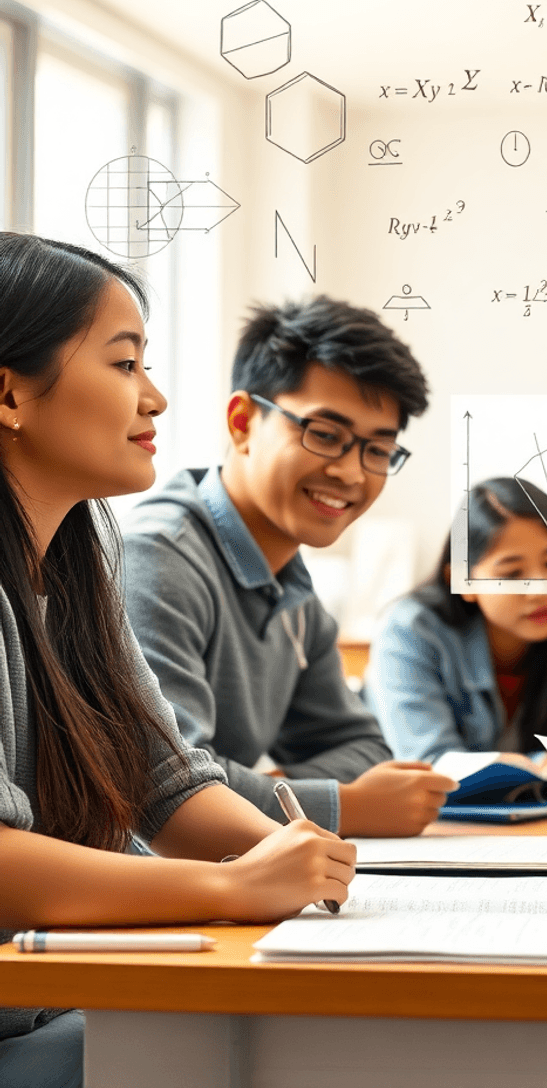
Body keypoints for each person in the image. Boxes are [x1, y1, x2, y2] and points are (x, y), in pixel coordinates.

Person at [0, 234, 355, 1088]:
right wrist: (232, 890)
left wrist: (293, 857)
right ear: (9, 393)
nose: (154, 398)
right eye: (125, 365)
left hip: (45, 1005)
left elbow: (164, 782)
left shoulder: (80, 565)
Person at [122, 296, 455, 838]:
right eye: (325, 434)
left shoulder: (294, 585)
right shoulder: (159, 557)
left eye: (377, 449)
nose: (351, 473)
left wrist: (263, 787)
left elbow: (364, 749)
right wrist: (343, 807)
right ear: (242, 422)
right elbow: (163, 786)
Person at [366, 477, 547, 766]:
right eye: (512, 574)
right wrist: (542, 765)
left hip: (544, 810)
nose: (541, 589)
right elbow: (428, 763)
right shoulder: (410, 630)